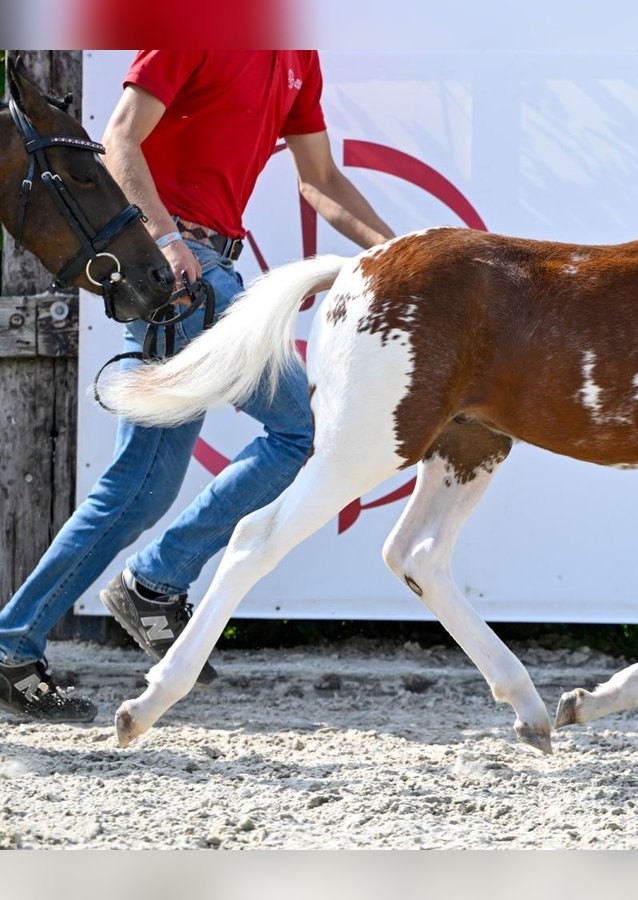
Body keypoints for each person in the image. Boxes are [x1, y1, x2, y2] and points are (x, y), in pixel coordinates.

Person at [0, 51, 395, 721]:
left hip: (194, 268)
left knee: (136, 489)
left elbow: (320, 178)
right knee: (300, 429)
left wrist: (405, 252)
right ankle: (154, 582)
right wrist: (166, 236)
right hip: (181, 266)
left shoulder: (299, 56)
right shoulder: (195, 21)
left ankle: (17, 642)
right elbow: (121, 137)